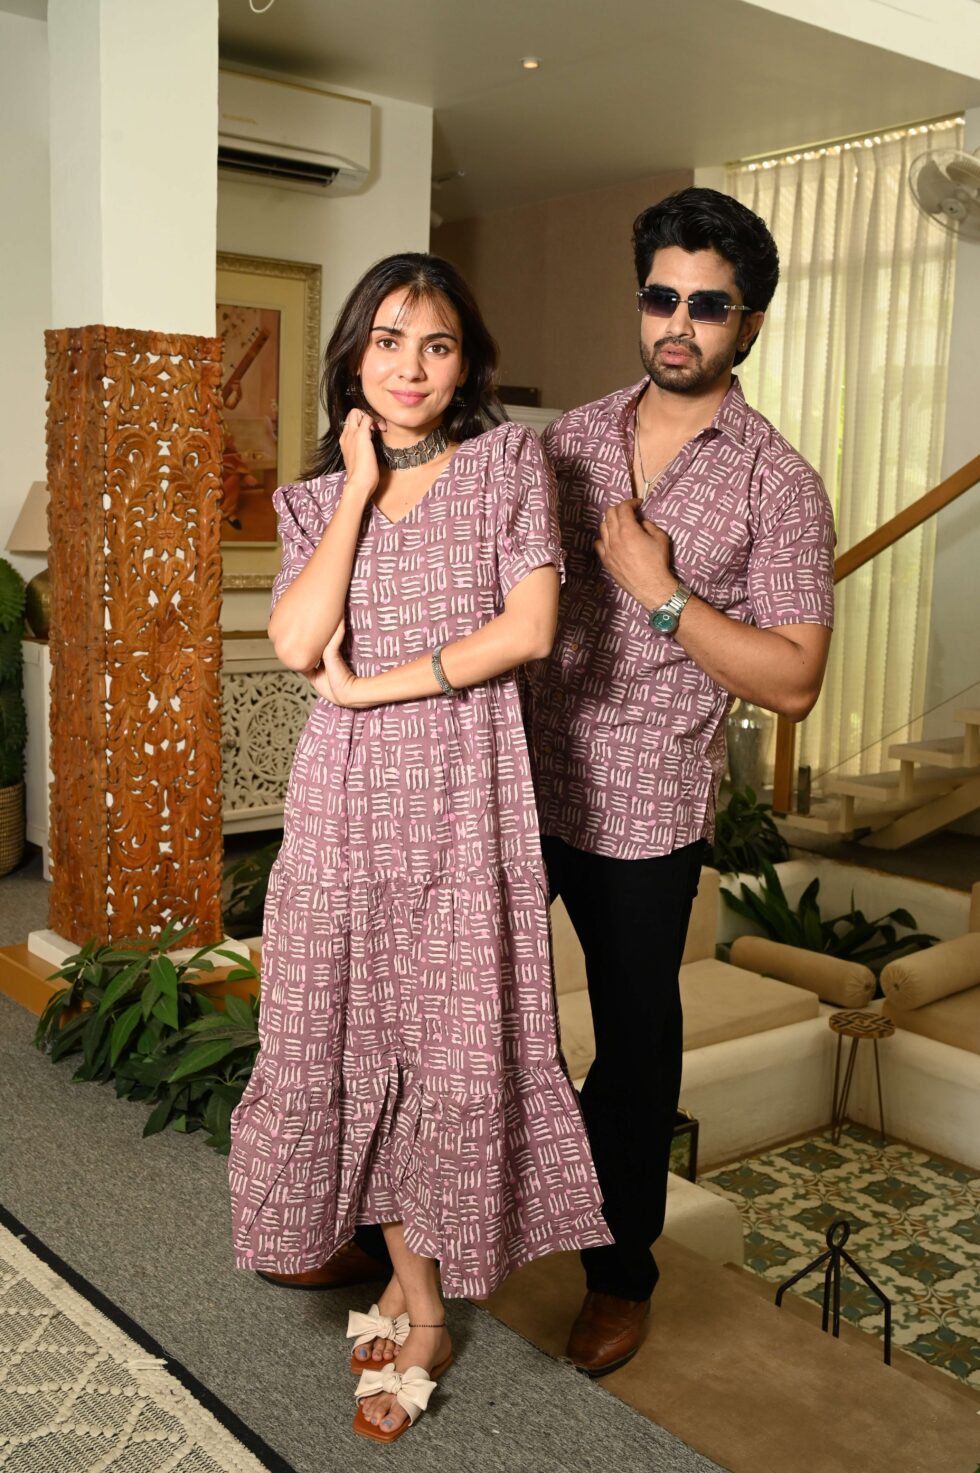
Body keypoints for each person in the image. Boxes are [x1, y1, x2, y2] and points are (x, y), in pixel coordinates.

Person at [227, 253, 610, 1442]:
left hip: (460, 799)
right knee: (354, 1034)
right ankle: (414, 1290)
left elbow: (529, 628)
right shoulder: (312, 500)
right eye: (388, 341)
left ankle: (423, 1309)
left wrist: (372, 689)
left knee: (443, 1046)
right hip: (342, 810)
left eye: (435, 346)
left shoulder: (505, 465)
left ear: (464, 366)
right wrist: (353, 490)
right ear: (353, 355)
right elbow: (297, 643)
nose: (409, 367)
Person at [525, 187, 836, 1376]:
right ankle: (404, 1230)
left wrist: (662, 595)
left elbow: (792, 680)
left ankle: (618, 1276)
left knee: (633, 1051)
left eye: (708, 306)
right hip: (516, 779)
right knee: (461, 1009)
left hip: (644, 810)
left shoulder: (776, 483)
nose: (677, 323)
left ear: (746, 324)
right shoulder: (567, 439)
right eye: (661, 296)